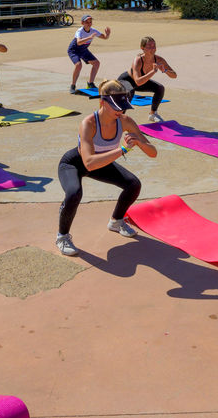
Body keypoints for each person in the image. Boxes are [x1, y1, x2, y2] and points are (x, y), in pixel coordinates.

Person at [55, 79, 157, 256]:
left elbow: (153, 153)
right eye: (116, 106)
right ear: (102, 102)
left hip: (102, 163)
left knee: (133, 184)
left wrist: (140, 142)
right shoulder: (88, 123)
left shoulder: (125, 121)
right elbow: (89, 163)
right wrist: (123, 149)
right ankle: (62, 237)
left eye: (122, 106)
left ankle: (116, 221)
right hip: (74, 164)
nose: (120, 110)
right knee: (74, 193)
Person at [117, 36, 177, 123]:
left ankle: (153, 114)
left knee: (160, 88)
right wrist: (153, 71)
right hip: (126, 81)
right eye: (149, 46)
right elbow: (137, 81)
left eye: (154, 46)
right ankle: (119, 118)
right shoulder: (138, 60)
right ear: (142, 48)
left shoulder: (159, 59)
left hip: (140, 82)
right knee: (130, 91)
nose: (152, 49)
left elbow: (174, 75)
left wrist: (165, 70)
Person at [68, 14, 110, 94]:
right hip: (74, 50)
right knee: (78, 65)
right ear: (82, 23)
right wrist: (89, 37)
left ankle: (90, 83)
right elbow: (79, 42)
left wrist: (107, 35)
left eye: (90, 22)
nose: (89, 23)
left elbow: (104, 37)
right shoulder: (79, 31)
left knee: (96, 63)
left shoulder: (93, 31)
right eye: (87, 22)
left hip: (83, 50)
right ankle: (72, 85)